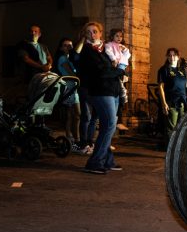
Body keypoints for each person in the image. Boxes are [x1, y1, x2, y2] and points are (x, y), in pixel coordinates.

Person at [76, 22, 125, 174]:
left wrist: (119, 63)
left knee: (108, 127)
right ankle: (95, 162)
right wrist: (120, 70)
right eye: (89, 32)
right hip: (100, 91)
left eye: (95, 31)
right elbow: (102, 73)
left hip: (113, 90)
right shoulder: (87, 51)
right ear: (85, 35)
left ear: (100, 33)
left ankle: (108, 161)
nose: (92, 34)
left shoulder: (106, 49)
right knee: (110, 125)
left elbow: (113, 65)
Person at [157, 48, 187, 139]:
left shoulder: (181, 70)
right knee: (171, 128)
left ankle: (176, 150)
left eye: (174, 55)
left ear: (178, 57)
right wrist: (164, 103)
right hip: (171, 102)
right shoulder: (164, 69)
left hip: (182, 102)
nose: (172, 57)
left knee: (180, 128)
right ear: (167, 57)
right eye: (169, 55)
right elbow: (160, 87)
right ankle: (169, 150)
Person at [55, 37, 81, 152]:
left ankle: (77, 138)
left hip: (75, 86)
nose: (68, 47)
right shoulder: (62, 58)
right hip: (68, 86)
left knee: (78, 114)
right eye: (65, 45)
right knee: (70, 114)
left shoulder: (71, 58)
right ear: (61, 48)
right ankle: (70, 138)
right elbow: (70, 72)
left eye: (70, 45)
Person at [105, 29, 131, 132]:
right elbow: (108, 51)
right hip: (115, 65)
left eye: (120, 36)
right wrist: (113, 59)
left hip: (122, 65)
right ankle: (123, 94)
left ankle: (123, 93)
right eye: (117, 36)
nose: (119, 38)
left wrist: (124, 50)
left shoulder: (122, 47)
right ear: (112, 37)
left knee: (121, 81)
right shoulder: (109, 45)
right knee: (119, 83)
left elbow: (127, 54)